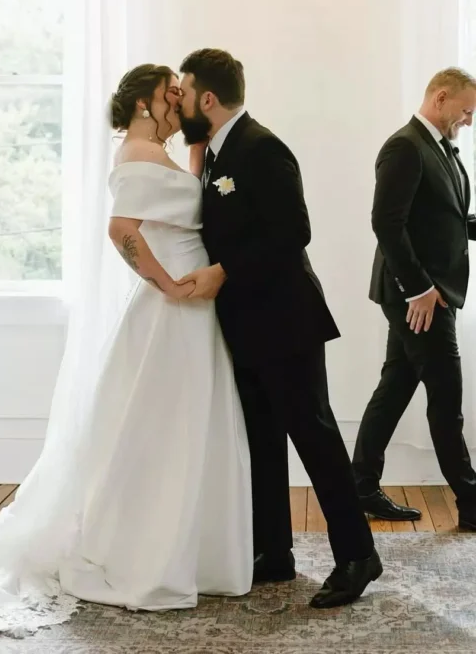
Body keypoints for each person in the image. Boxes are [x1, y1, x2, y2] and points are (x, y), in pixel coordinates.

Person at [0, 65, 253, 652]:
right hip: (171, 306)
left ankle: (192, 545)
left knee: (184, 423)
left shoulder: (161, 150)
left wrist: (195, 142)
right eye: (169, 94)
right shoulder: (135, 151)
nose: (177, 100)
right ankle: (145, 548)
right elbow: (121, 229)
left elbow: (185, 200)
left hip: (193, 304)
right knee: (162, 425)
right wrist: (166, 282)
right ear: (143, 103)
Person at [176, 48, 381, 609]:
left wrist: (224, 270)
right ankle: (275, 552)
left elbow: (295, 230)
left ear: (208, 99)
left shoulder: (262, 147)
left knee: (313, 434)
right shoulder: (216, 154)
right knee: (263, 440)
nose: (180, 99)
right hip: (245, 323)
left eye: (185, 91)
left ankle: (359, 555)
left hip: (286, 320)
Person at [353, 67, 476, 528]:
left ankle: (360, 484)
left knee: (395, 386)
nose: (467, 121)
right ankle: (471, 501)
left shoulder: (440, 149)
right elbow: (387, 223)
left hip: (428, 293)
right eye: (465, 112)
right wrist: (420, 290)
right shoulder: (405, 146)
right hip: (419, 297)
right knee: (446, 396)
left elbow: (445, 218)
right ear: (441, 98)